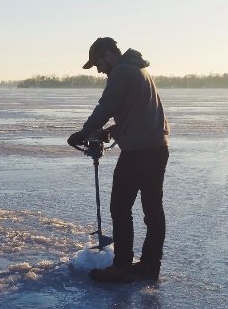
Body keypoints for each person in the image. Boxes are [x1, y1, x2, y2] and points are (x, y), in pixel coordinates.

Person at [68, 37, 169, 283]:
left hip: (138, 152)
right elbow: (137, 112)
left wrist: (84, 132)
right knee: (152, 209)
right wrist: (113, 131)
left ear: (109, 55)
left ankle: (122, 267)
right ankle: (149, 265)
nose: (99, 70)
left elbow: (106, 106)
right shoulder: (138, 69)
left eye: (98, 63)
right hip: (156, 148)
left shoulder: (122, 71)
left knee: (120, 208)